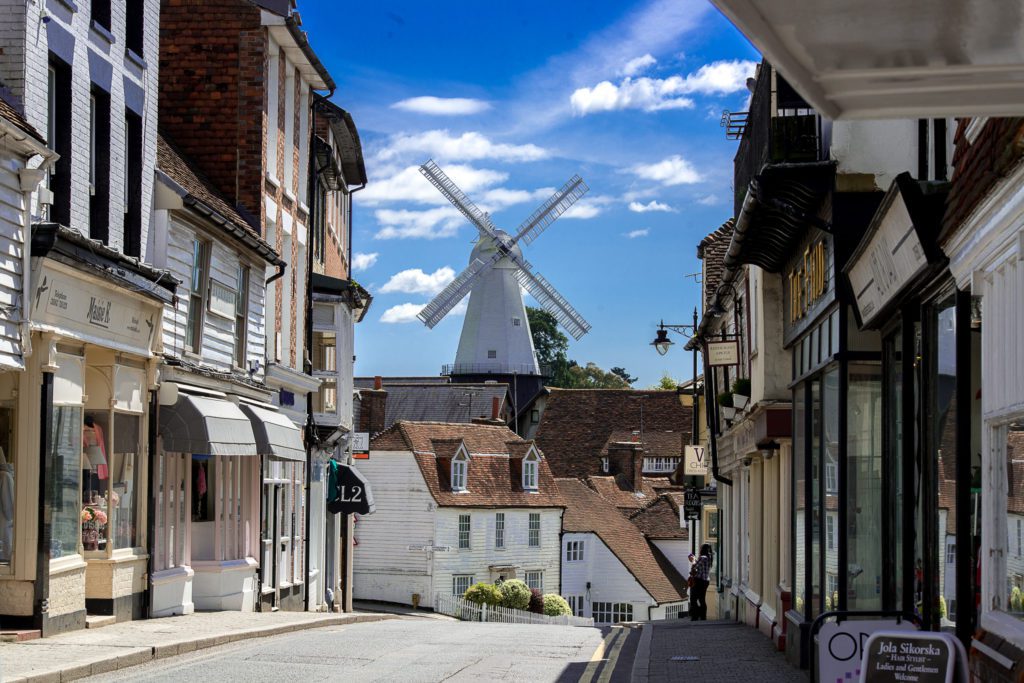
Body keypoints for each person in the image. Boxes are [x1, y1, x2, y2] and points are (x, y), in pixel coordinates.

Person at [689, 543, 713, 621]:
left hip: (699, 581)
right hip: (705, 581)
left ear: (702, 550)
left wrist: (692, 560)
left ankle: (695, 616)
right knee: (702, 599)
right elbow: (700, 566)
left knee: (693, 599)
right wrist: (696, 559)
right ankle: (703, 616)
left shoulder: (702, 557)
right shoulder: (709, 558)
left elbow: (694, 567)